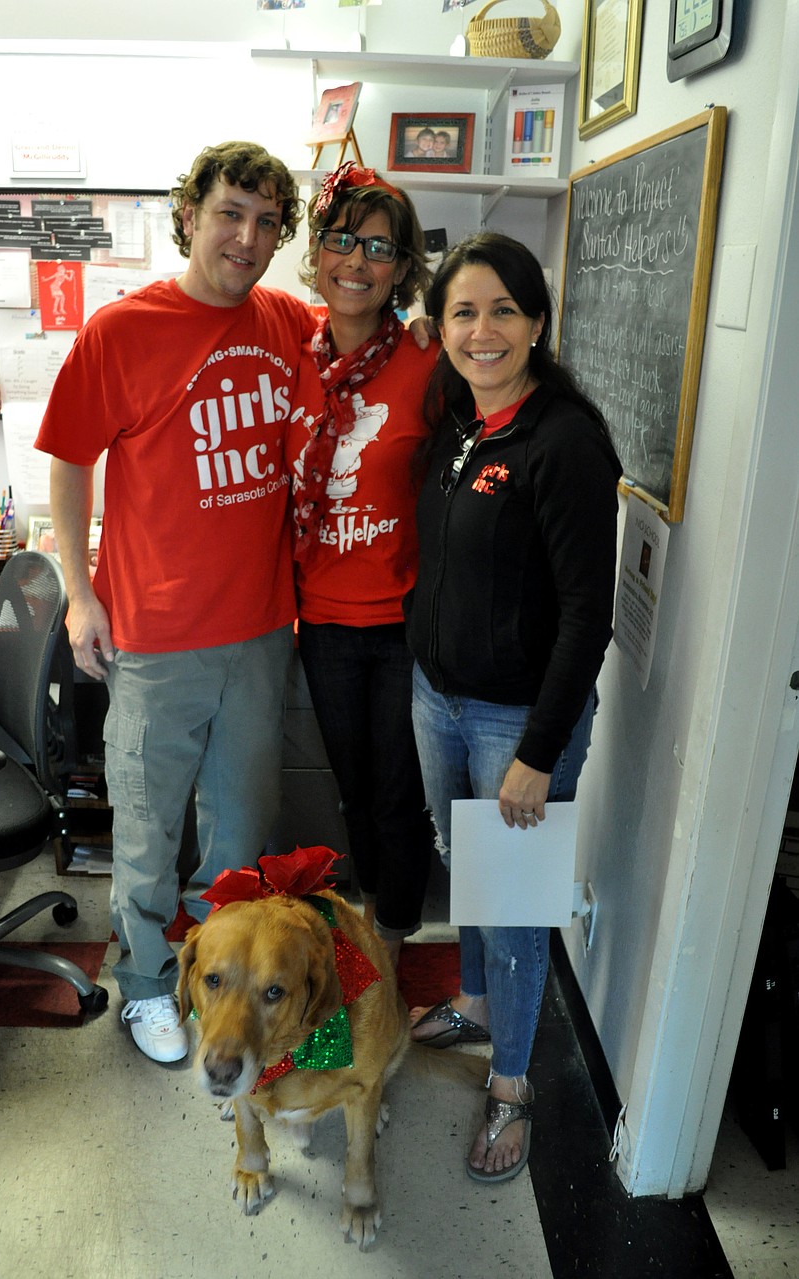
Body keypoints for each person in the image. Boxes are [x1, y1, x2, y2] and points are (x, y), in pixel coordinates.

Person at [35, 141, 315, 1064]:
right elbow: (69, 467)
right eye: (231, 213)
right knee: (150, 829)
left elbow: (364, 348)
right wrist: (80, 596)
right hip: (154, 636)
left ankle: (221, 976)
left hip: (263, 630)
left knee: (240, 830)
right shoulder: (122, 329)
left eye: (269, 221)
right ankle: (150, 985)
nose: (248, 236)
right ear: (189, 214)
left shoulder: (288, 322)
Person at [404, 232, 621, 1182]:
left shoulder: (565, 440)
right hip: (437, 697)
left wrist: (538, 749)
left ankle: (512, 1088)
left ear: (537, 321)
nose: (482, 329)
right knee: (472, 877)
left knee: (517, 906)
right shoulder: (458, 417)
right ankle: (480, 1007)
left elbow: (589, 613)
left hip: (514, 724)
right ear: (440, 326)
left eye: (503, 310)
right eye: (463, 311)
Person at [288, 162, 437, 966]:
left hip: (406, 623)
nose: (357, 260)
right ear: (317, 252)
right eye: (342, 239)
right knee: (354, 788)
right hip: (324, 624)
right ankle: (377, 914)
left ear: (402, 271)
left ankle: (394, 938)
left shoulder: (430, 359)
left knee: (399, 797)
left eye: (379, 247)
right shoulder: (287, 352)